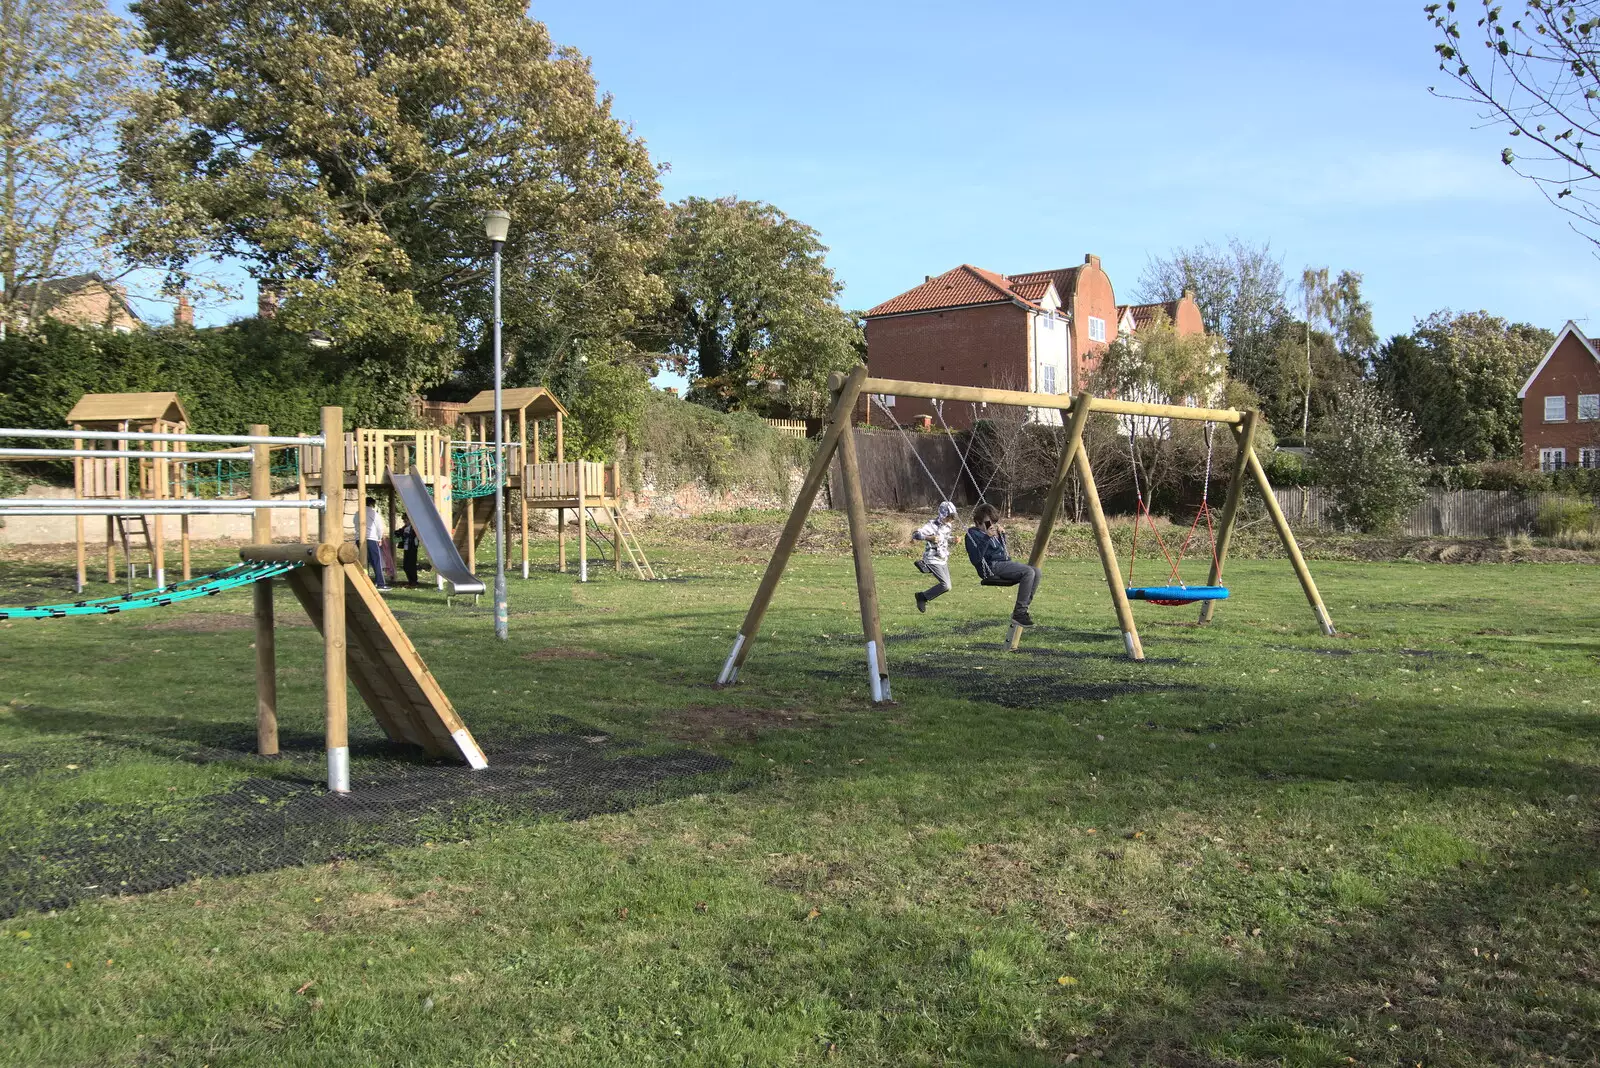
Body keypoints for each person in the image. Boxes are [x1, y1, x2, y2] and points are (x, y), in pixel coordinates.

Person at [964, 503, 1040, 626]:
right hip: (991, 567)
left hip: (1003, 563)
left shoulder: (990, 532)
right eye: (988, 523)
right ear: (978, 522)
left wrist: (1002, 536)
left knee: (1037, 572)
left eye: (993, 523)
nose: (991, 526)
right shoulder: (972, 535)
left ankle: (1022, 609)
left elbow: (1000, 551)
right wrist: (987, 538)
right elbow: (976, 559)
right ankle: (1019, 613)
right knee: (1028, 572)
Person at [910, 500, 958, 613]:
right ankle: (922, 597)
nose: (951, 520)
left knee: (948, 587)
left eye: (952, 517)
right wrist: (929, 538)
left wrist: (953, 540)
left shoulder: (948, 526)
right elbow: (915, 534)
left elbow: (944, 539)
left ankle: (922, 595)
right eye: (949, 517)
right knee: (945, 585)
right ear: (943, 515)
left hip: (942, 558)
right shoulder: (931, 525)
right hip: (932, 558)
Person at [359, 496, 391, 591]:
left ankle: (363, 582)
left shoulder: (358, 513)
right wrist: (379, 538)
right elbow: (379, 528)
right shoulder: (373, 513)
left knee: (362, 562)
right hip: (371, 539)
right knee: (377, 561)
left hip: (359, 539)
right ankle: (380, 583)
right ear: (372, 504)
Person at [394, 516, 420, 588]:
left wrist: (407, 535)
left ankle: (414, 581)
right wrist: (397, 534)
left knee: (411, 565)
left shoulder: (414, 528)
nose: (405, 522)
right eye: (404, 521)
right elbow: (398, 534)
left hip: (412, 548)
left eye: (406, 520)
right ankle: (410, 580)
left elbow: (415, 536)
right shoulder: (404, 528)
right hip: (406, 548)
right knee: (405, 566)